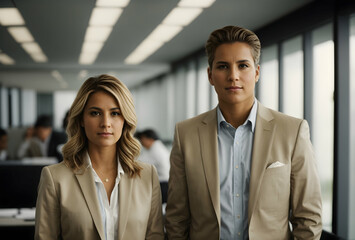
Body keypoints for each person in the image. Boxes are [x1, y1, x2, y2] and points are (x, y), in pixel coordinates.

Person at [165, 26, 322, 240]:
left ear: (256, 72)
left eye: (243, 66)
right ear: (210, 75)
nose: (233, 76)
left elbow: (308, 217)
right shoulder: (186, 135)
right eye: (223, 66)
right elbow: (177, 219)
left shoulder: (292, 131)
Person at [35, 74, 164, 240]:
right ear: (81, 119)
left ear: (125, 119)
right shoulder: (55, 178)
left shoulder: (147, 175)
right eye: (95, 113)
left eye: (115, 113)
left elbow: (155, 236)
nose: (106, 123)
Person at [135, 129, 170, 203]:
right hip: (165, 183)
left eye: (142, 139)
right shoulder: (159, 147)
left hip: (162, 184)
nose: (142, 142)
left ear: (149, 139)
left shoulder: (155, 150)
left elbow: (138, 163)